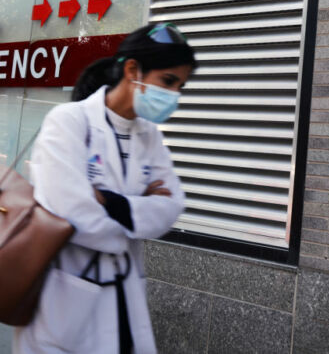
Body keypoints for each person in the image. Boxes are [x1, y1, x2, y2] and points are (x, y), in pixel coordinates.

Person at [13, 22, 196, 354]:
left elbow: (171, 208)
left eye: (180, 86)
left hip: (125, 300)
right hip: (66, 300)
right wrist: (139, 209)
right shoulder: (68, 121)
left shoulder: (149, 135)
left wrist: (108, 201)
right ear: (132, 69)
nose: (174, 95)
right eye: (168, 81)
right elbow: (71, 213)